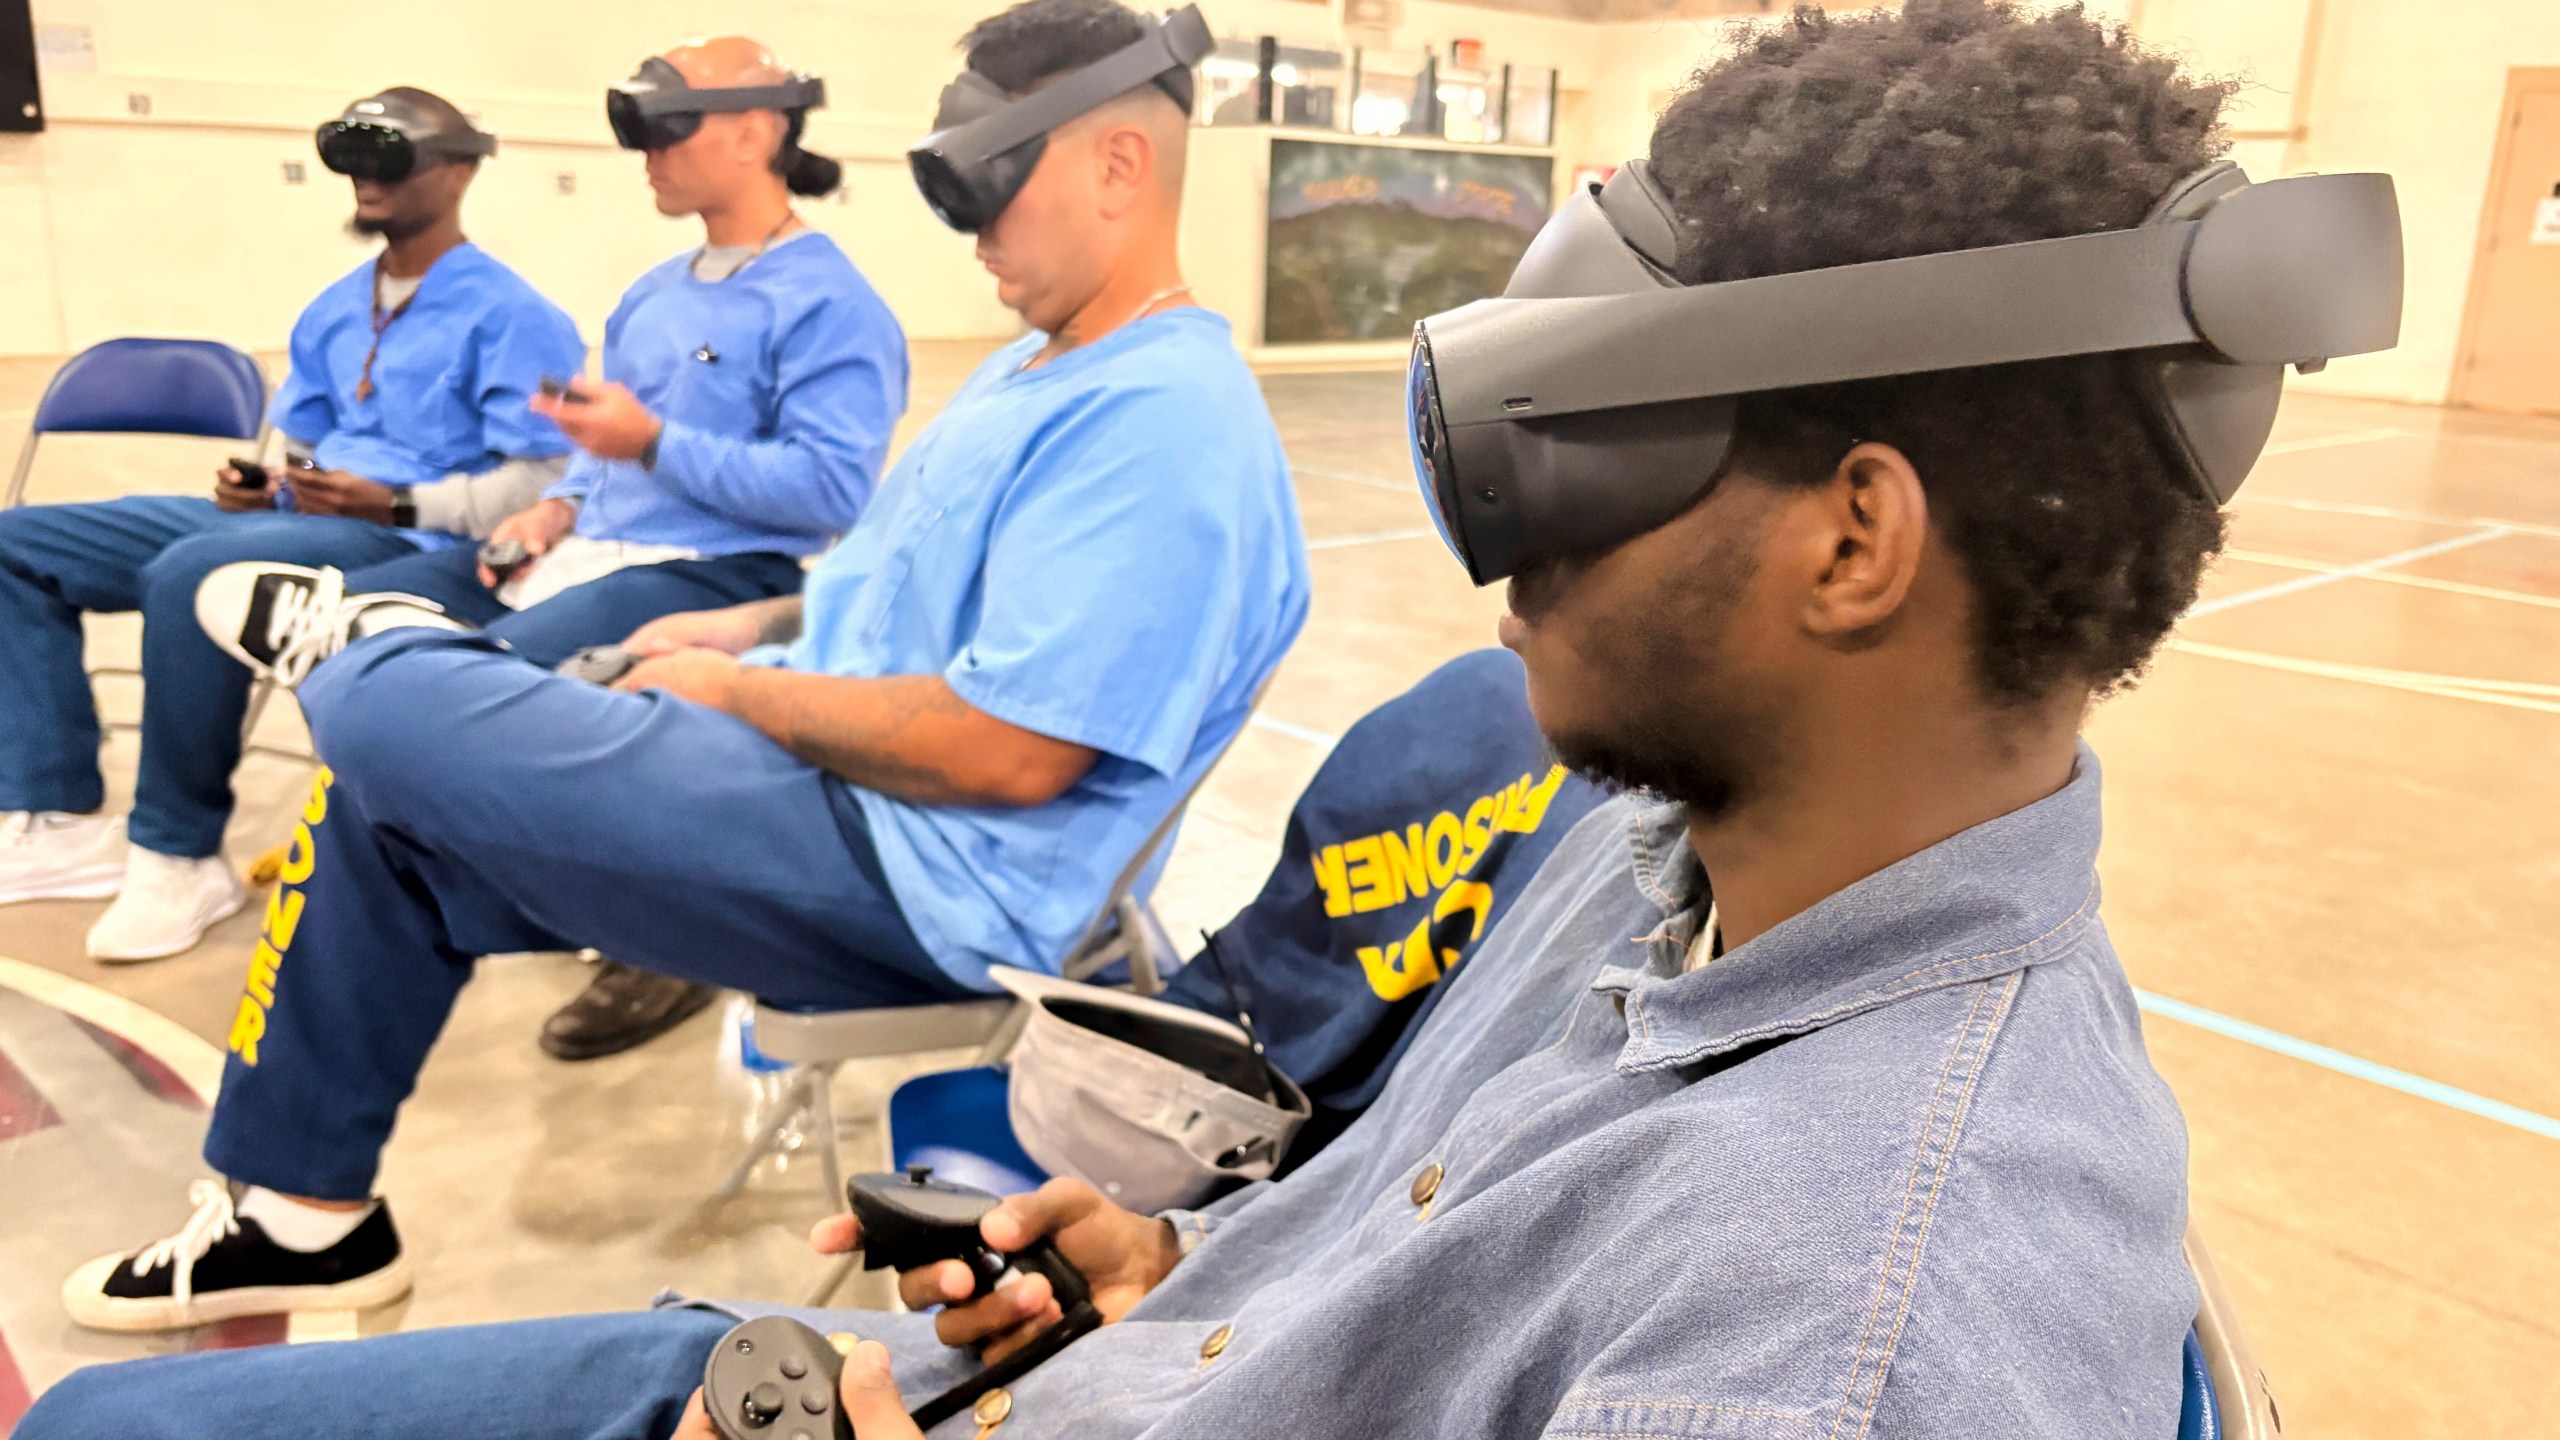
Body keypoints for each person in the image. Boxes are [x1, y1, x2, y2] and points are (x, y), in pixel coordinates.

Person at [51, 0, 1306, 1333]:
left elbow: (1011, 751)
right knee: (382, 798)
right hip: (829, 786)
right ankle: (298, 1219)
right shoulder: (1036, 368)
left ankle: (364, 644)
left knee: (399, 707)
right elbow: (894, 595)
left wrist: (732, 689)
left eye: (993, 186)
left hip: (923, 878)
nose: (976, 233)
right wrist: (746, 633)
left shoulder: (1162, 422)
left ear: (1119, 165)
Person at [230, 36, 913, 1050]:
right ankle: (399, 815)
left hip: (719, 569)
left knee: (478, 690)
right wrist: (555, 508)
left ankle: (660, 936)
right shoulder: (652, 292)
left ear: (757, 130)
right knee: (383, 635)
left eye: (663, 130)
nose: (643, 154)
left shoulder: (830, 306)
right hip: (591, 550)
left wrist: (655, 442)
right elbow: (600, 452)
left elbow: (829, 492)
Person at [0, 88, 584, 962]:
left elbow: (544, 478)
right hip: (296, 518)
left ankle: (178, 852)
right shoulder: (337, 306)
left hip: (409, 537)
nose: (366, 180)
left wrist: (392, 503)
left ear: (461, 172)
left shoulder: (512, 315)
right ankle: (53, 812)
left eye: (393, 160)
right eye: (352, 160)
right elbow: (308, 447)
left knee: (191, 573)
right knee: (19, 545)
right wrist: (272, 483)